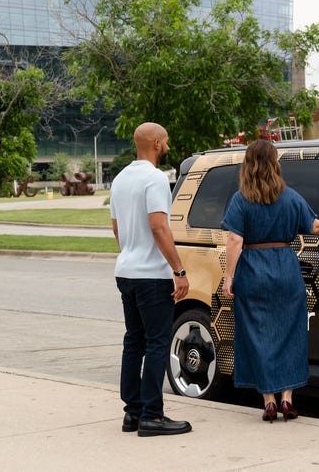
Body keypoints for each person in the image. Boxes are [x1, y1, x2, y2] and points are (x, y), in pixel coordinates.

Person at [220, 139, 319, 422]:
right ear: (275, 163)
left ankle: (269, 401)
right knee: (290, 334)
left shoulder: (241, 199)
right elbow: (313, 226)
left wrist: (229, 278)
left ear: (248, 165)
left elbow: (234, 240)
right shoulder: (290, 196)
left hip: (253, 271)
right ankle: (288, 399)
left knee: (258, 336)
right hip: (286, 271)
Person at [110, 122, 192, 437]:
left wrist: (131, 252)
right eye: (166, 141)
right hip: (152, 276)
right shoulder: (155, 179)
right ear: (156, 143)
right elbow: (159, 227)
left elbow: (117, 228)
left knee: (134, 340)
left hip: (126, 271)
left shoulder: (119, 180)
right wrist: (179, 270)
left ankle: (132, 413)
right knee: (158, 342)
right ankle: (153, 416)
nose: (168, 146)